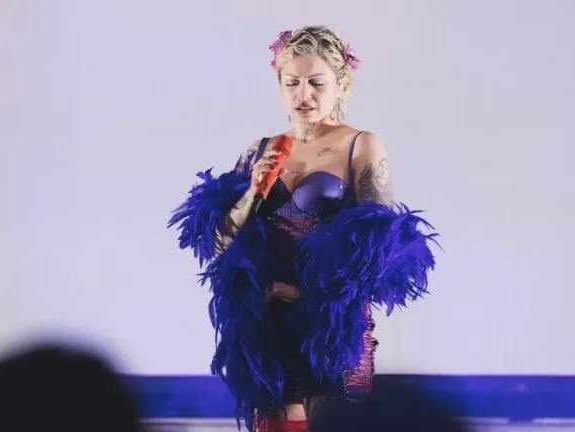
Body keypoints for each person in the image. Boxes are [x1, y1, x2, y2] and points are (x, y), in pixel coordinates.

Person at [168, 25, 439, 432]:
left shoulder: (361, 145)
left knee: (334, 423)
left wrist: (296, 292)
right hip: (266, 324)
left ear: (341, 86)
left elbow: (379, 256)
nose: (303, 95)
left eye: (316, 83)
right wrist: (252, 193)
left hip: (330, 327)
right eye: (292, 83)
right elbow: (219, 243)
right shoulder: (260, 149)